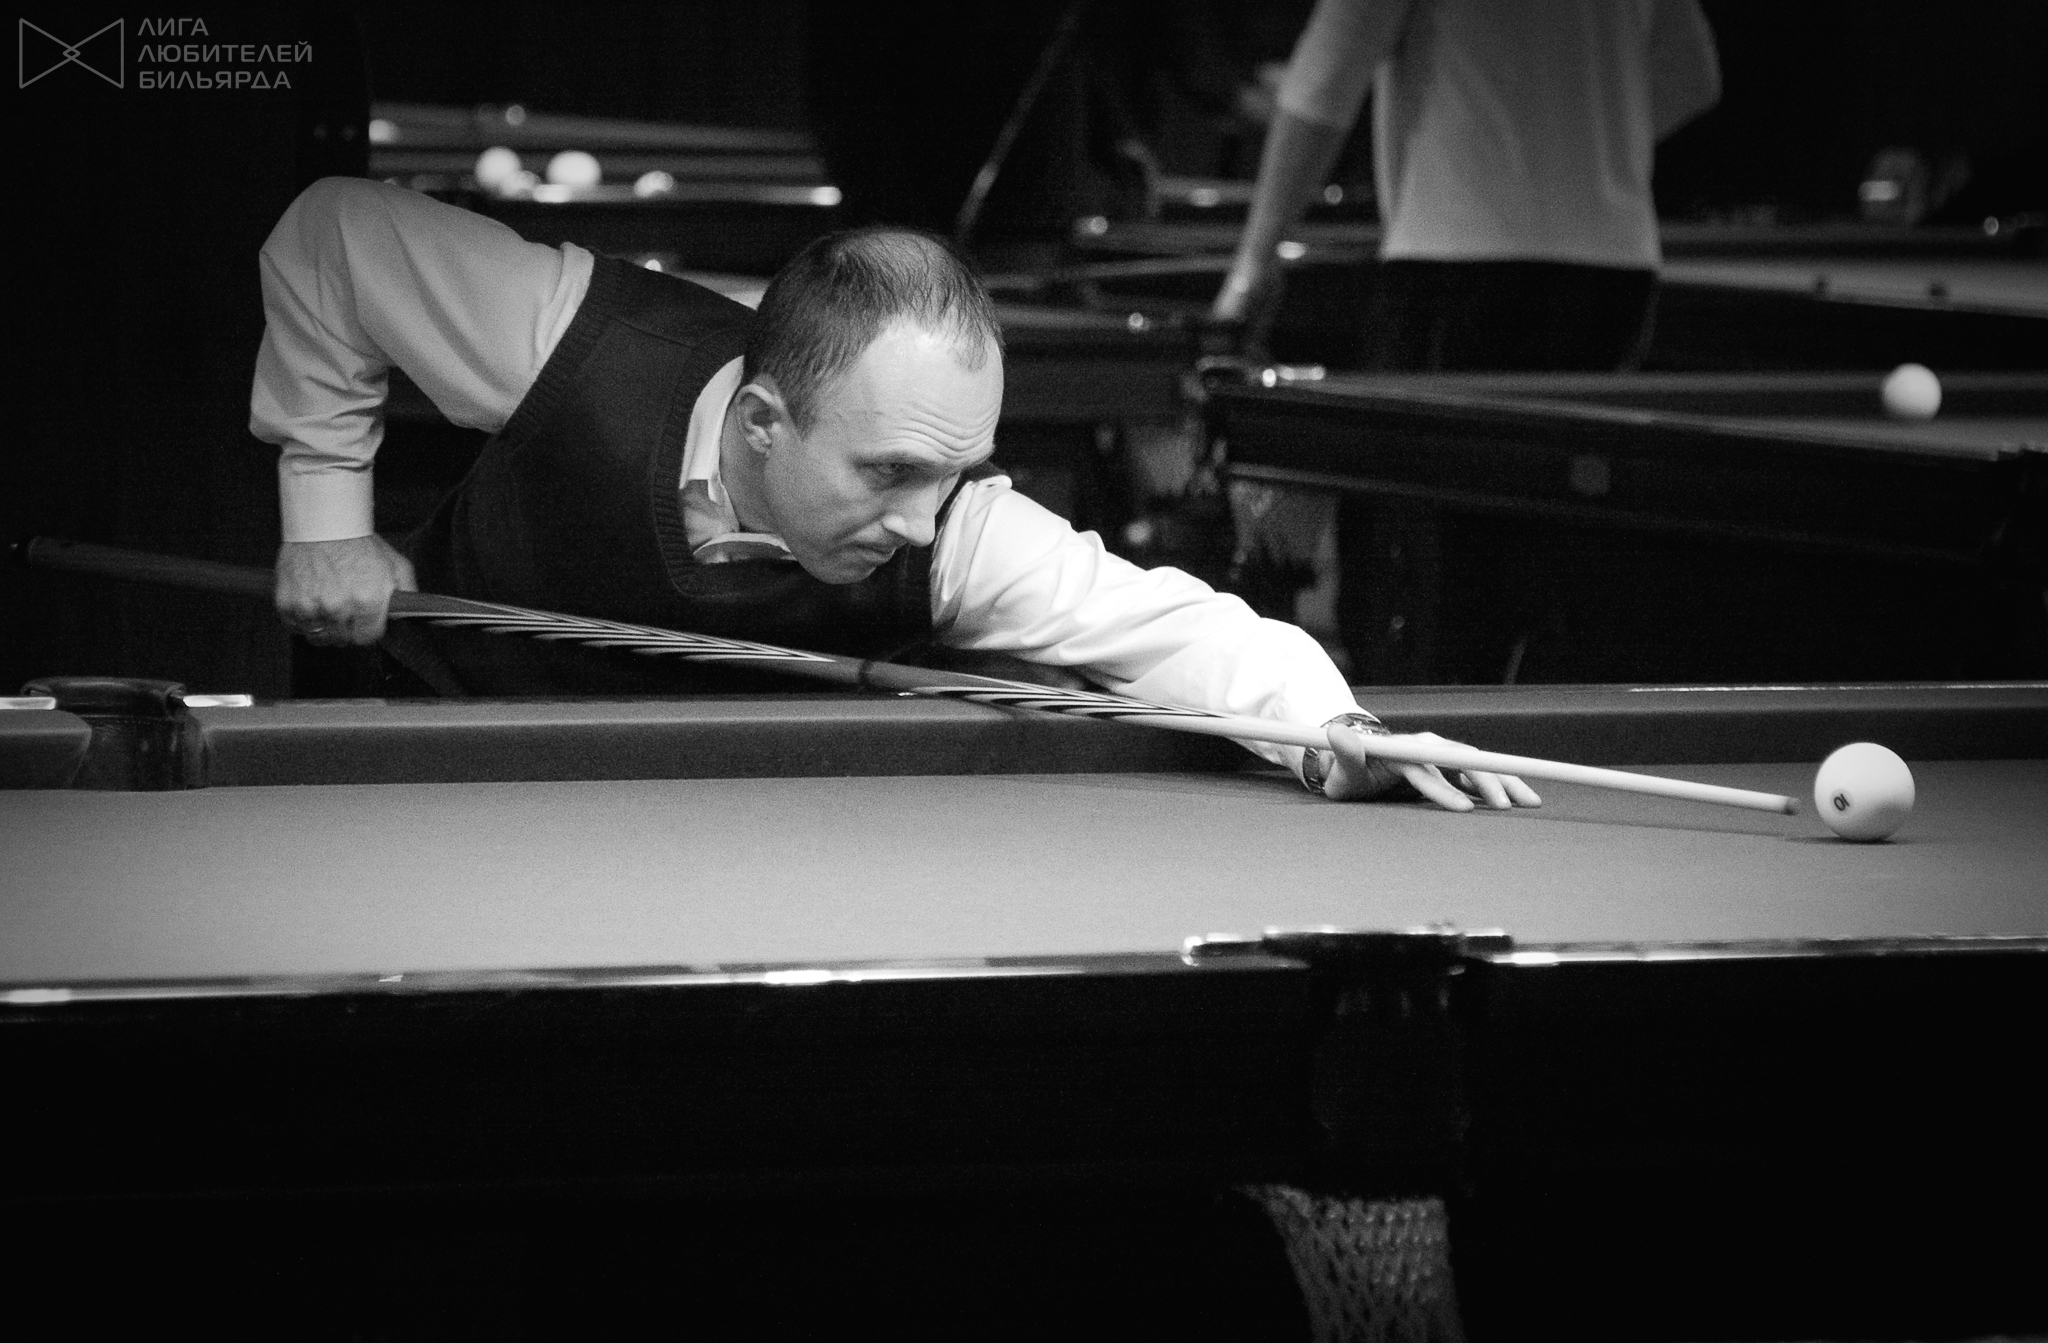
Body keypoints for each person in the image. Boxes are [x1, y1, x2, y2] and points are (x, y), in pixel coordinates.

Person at [250, 176, 1538, 811]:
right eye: (887, 472)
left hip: (745, 835)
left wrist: (1336, 731)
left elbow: (1179, 630)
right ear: (761, 422)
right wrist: (326, 519)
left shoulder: (955, 532)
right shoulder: (567, 339)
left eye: (953, 473)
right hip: (430, 758)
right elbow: (330, 235)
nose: (924, 520)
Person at [1212, 0, 1722, 369]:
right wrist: (1581, 152)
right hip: (1616, 273)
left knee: (1432, 488)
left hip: (1454, 266)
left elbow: (1324, 79)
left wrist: (1253, 263)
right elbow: (1692, 74)